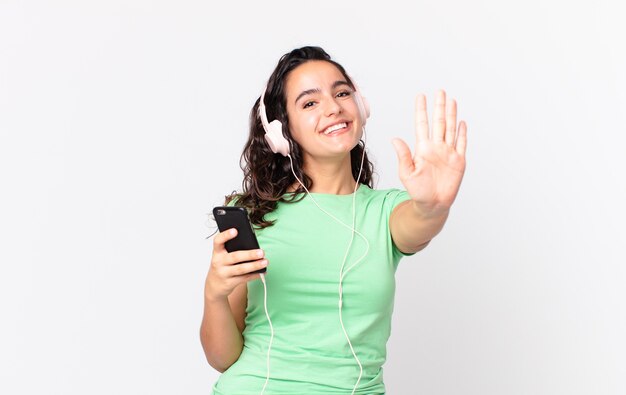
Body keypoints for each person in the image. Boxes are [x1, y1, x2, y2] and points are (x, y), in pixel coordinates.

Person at [200, 46, 467, 394]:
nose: (333, 107)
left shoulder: (385, 211)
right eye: (309, 103)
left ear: (361, 108)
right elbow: (223, 358)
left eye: (342, 93)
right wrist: (214, 295)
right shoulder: (250, 215)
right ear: (282, 131)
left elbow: (418, 223)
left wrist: (433, 205)